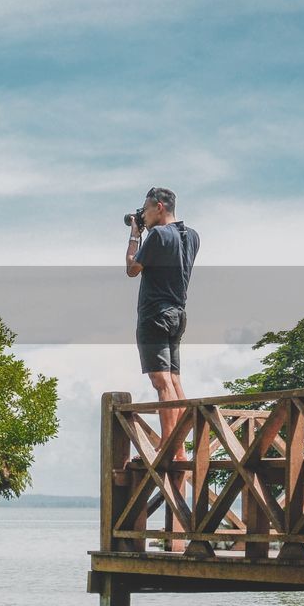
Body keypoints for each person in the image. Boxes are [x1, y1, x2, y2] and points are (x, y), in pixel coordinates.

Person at [126, 187, 199, 458]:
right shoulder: (192, 236)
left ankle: (170, 446)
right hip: (178, 314)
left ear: (159, 207)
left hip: (155, 314)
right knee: (175, 379)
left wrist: (135, 236)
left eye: (145, 209)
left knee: (161, 381)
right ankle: (179, 449)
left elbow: (132, 268)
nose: (143, 215)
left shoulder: (156, 235)